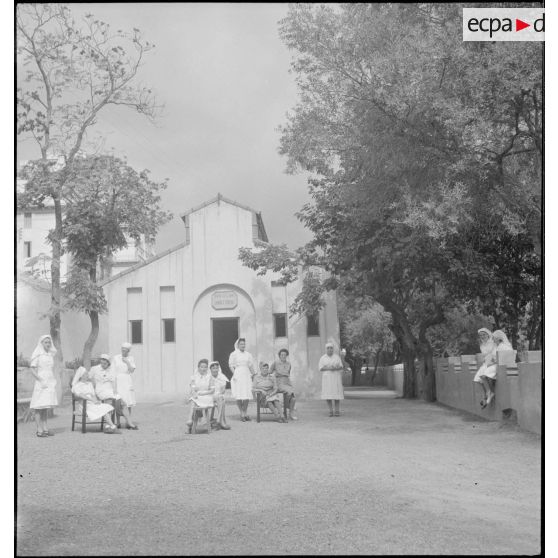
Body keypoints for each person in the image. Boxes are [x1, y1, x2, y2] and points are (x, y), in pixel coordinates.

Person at [91, 354, 138, 429]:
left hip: (110, 390)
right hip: (101, 390)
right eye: (102, 363)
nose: (103, 365)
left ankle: (129, 423)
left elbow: (113, 381)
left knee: (123, 403)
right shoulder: (95, 369)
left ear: (108, 363)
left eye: (105, 364)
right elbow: (89, 379)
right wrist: (93, 392)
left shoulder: (111, 370)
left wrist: (115, 390)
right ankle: (118, 416)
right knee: (119, 400)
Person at [71, 367, 117, 433]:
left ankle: (109, 426)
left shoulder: (89, 384)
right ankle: (112, 426)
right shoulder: (77, 385)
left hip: (92, 403)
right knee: (103, 409)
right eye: (86, 374)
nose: (87, 375)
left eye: (87, 374)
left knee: (107, 407)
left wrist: (96, 401)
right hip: (85, 405)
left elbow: (93, 395)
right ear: (81, 376)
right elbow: (81, 395)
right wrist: (92, 400)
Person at [29, 334, 58, 437]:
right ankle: (39, 429)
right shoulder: (38, 354)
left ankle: (45, 428)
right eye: (46, 342)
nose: (48, 344)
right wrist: (40, 379)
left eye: (49, 342)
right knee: (38, 406)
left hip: (49, 381)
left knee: (45, 406)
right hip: (41, 382)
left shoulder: (50, 355)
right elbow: (32, 369)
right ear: (41, 343)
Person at [228, 338, 256, 421]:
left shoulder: (248, 354)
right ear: (238, 345)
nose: (243, 345)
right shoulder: (234, 354)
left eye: (244, 344)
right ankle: (242, 413)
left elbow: (250, 366)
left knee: (246, 394)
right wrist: (235, 374)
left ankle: (245, 412)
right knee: (239, 394)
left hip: (246, 374)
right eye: (241, 344)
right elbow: (231, 365)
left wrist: (254, 375)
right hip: (238, 374)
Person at [186, 359, 215, 434]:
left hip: (207, 396)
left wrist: (203, 393)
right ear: (198, 368)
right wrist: (194, 393)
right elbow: (192, 388)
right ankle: (190, 421)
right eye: (201, 367)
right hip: (198, 396)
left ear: (207, 368)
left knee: (194, 401)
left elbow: (212, 390)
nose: (203, 369)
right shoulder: (194, 377)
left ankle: (189, 423)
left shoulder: (210, 377)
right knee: (194, 399)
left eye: (205, 367)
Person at [270, 349, 298, 420]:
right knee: (290, 392)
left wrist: (285, 375)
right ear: (279, 356)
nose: (283, 356)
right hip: (279, 382)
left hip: (287, 382)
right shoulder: (275, 363)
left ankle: (291, 413)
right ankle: (286, 405)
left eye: (285, 355)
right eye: (281, 355)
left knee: (293, 398)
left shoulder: (289, 364)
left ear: (287, 355)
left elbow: (288, 373)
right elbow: (270, 371)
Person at [319, 342, 345, 417]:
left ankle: (337, 410)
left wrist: (336, 368)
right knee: (328, 395)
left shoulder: (337, 357)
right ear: (326, 349)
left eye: (331, 348)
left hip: (335, 378)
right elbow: (321, 368)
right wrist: (329, 368)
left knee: (337, 395)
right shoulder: (323, 358)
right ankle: (330, 410)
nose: (330, 349)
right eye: (328, 348)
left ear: (333, 349)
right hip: (327, 379)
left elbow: (341, 366)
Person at [473, 328, 497, 408]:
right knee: (477, 378)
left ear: (488, 334)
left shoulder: (493, 343)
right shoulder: (482, 345)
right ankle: (486, 394)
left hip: (493, 362)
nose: (482, 336)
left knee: (485, 375)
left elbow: (495, 354)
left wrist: (492, 361)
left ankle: (490, 392)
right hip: (486, 363)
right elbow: (484, 355)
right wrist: (485, 361)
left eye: (484, 334)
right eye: (480, 335)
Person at [113, 342, 136, 419]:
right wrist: (114, 385)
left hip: (127, 380)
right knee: (118, 401)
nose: (123, 352)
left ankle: (128, 421)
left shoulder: (131, 358)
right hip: (118, 380)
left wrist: (127, 362)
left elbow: (131, 370)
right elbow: (113, 371)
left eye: (125, 350)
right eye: (122, 350)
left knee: (128, 401)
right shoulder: (116, 357)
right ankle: (118, 421)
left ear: (128, 351)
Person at [209, 361, 231, 430]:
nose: (215, 370)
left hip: (219, 395)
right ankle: (222, 422)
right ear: (210, 369)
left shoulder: (222, 377)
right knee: (221, 400)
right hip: (210, 395)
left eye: (216, 368)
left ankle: (220, 421)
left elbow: (223, 390)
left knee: (221, 399)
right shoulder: (208, 377)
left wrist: (219, 394)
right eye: (213, 368)